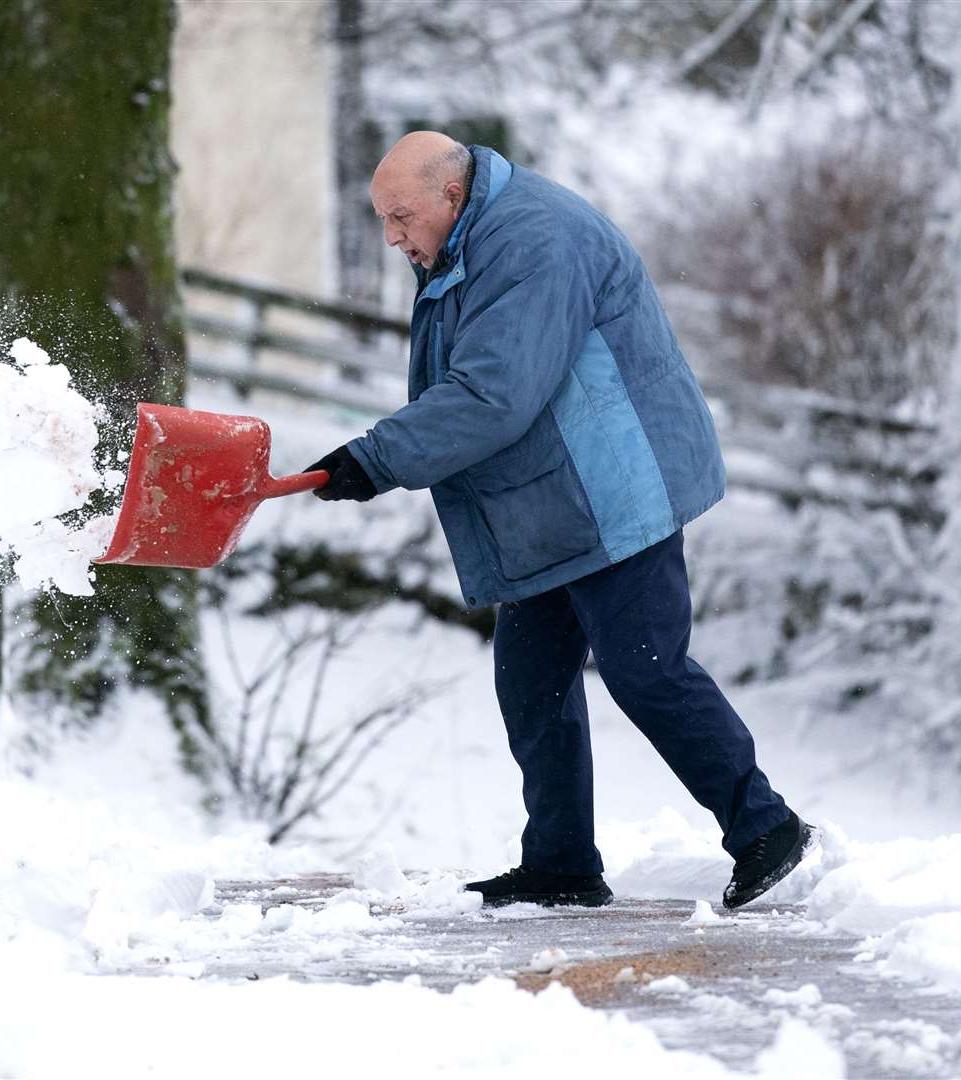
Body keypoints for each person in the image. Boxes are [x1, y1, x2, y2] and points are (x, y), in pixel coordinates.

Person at [305, 131, 812, 911]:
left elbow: (493, 392)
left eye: (400, 216)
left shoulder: (531, 239)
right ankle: (561, 862)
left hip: (615, 485)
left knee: (645, 668)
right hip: (550, 498)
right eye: (383, 219)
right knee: (530, 682)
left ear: (449, 194)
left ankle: (765, 827)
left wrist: (377, 458)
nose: (392, 237)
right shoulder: (468, 237)